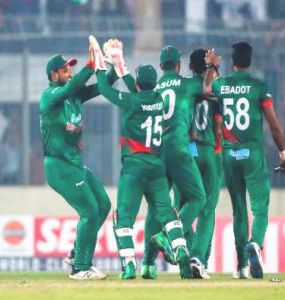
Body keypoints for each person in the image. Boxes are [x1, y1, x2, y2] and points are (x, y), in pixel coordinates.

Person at [91, 36, 191, 280]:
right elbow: (134, 85)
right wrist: (119, 61)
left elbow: (104, 89)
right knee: (167, 214)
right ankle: (181, 249)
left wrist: (101, 65)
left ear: (138, 84)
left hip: (133, 168)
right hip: (157, 166)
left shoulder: (131, 101)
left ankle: (128, 266)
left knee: (123, 218)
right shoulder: (157, 99)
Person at [203, 41, 285, 279]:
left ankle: (243, 266)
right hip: (252, 154)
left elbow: (207, 89)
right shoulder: (258, 87)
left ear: (232, 62)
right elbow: (274, 124)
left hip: (229, 155)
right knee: (260, 207)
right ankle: (255, 244)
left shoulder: (222, 85)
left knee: (239, 211)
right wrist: (284, 154)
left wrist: (212, 67)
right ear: (250, 61)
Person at [40, 43, 116, 280]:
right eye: (64, 70)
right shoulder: (49, 96)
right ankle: (80, 268)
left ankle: (76, 254)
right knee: (90, 211)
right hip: (58, 166)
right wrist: (91, 65)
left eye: (70, 69)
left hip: (74, 164)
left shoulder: (73, 93)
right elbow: (72, 85)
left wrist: (112, 65)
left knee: (103, 205)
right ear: (54, 75)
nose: (69, 73)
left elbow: (104, 87)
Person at [142, 45, 207, 279]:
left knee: (156, 206)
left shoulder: (154, 88)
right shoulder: (187, 84)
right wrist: (211, 68)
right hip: (178, 148)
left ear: (160, 67)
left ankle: (148, 265)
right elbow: (210, 88)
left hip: (156, 152)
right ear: (179, 66)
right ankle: (170, 236)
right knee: (198, 197)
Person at [173, 48, 224, 279]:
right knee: (206, 209)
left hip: (186, 151)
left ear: (189, 67)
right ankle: (198, 258)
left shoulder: (184, 86)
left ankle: (179, 245)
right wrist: (215, 68)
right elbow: (221, 118)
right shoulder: (215, 86)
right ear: (208, 65)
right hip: (210, 152)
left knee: (183, 203)